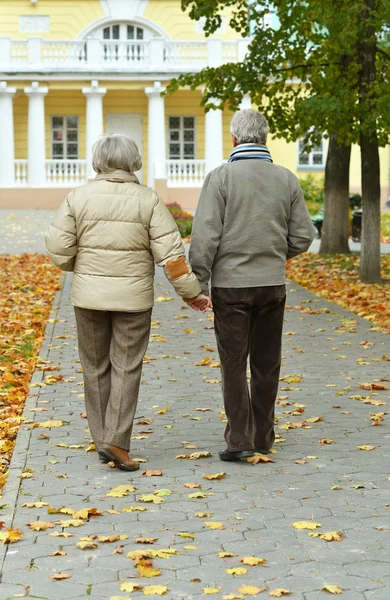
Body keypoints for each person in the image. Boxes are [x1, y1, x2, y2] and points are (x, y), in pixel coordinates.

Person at [45, 134, 211, 471]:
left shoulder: (77, 198)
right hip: (134, 301)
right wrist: (191, 293)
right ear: (133, 161)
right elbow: (173, 257)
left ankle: (102, 439)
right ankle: (116, 441)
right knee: (126, 366)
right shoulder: (148, 201)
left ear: (98, 161)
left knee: (94, 367)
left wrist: (81, 267)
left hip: (88, 299)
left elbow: (59, 251)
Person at [189, 109, 316, 462]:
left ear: (233, 139)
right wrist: (275, 253)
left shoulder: (221, 178)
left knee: (233, 362)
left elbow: (204, 237)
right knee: (266, 362)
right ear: (265, 138)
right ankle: (263, 436)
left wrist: (198, 283)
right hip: (272, 284)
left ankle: (239, 440)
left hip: (230, 287)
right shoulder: (286, 178)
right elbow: (304, 235)